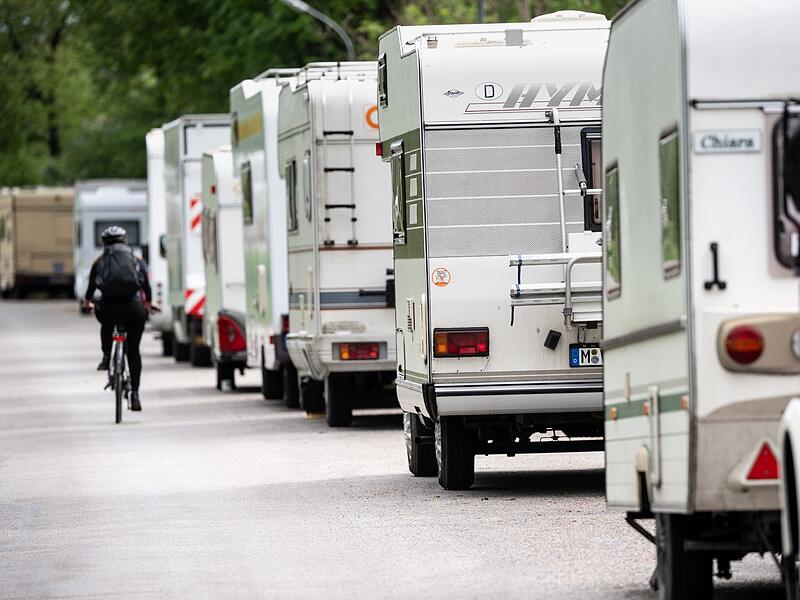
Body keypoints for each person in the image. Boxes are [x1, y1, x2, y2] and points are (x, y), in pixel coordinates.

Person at [81, 225, 152, 411]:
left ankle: (106, 357)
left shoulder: (100, 261)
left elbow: (90, 289)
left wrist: (87, 302)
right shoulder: (136, 259)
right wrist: (148, 304)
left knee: (106, 324)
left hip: (109, 307)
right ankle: (135, 394)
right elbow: (146, 285)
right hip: (133, 309)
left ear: (104, 242)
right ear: (125, 240)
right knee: (134, 350)